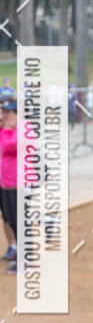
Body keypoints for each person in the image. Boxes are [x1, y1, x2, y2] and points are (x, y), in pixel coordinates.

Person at [0, 100, 18, 274]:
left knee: (18, 221)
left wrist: (6, 129)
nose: (5, 115)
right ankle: (16, 251)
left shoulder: (22, 129)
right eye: (3, 112)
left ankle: (26, 258)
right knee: (9, 218)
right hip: (6, 182)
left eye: (8, 112)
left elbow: (9, 148)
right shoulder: (5, 130)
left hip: (17, 183)